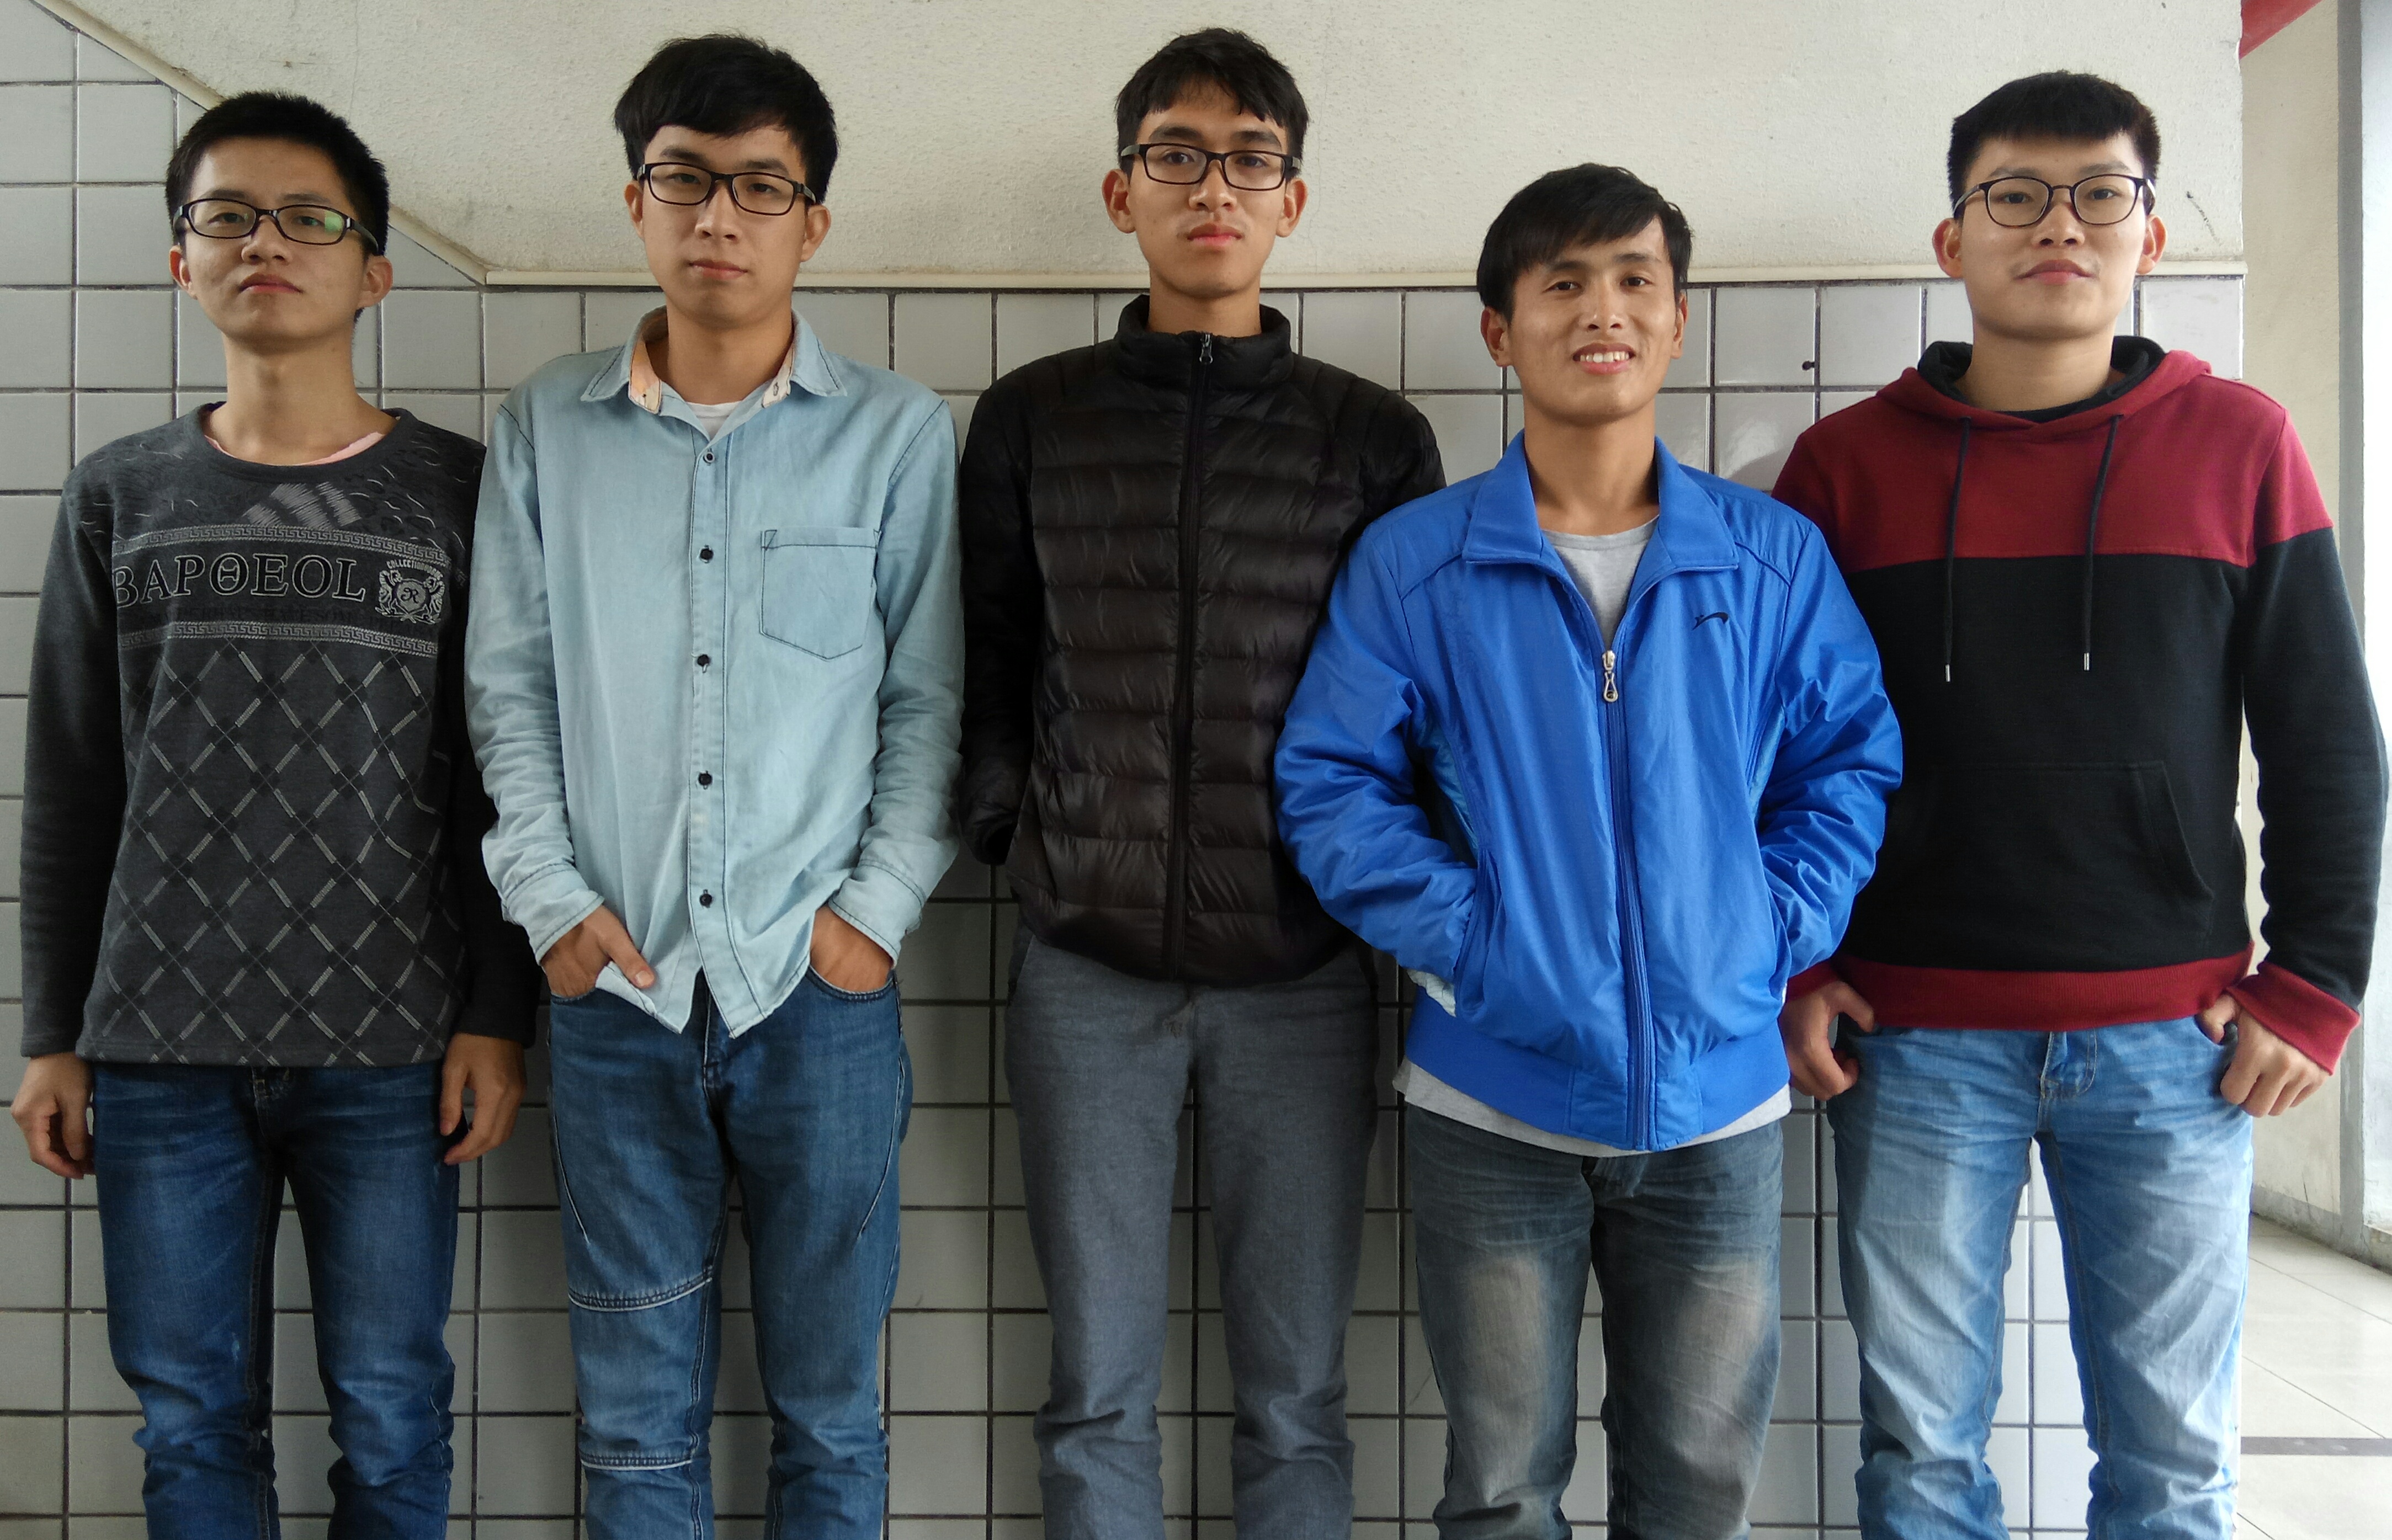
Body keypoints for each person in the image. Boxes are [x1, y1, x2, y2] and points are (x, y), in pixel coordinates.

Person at [1772, 71, 2386, 1540]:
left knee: (2170, 1466)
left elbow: (2324, 737)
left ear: (2147, 235)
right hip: (1911, 1040)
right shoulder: (1842, 469)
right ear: (1952, 239)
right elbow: (1772, 752)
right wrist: (1796, 964)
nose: (2059, 225)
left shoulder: (2238, 443)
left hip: (2174, 1047)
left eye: (2099, 194)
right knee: (1918, 1457)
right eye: (2015, 196)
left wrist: (2311, 988)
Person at [1274, 163, 1901, 1540]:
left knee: (1697, 1486)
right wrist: (1477, 948)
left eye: (1632, 280)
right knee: (1502, 1488)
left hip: (1719, 1104)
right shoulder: (1416, 562)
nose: (1600, 310)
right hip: (1490, 1100)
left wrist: (1761, 934)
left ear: (1676, 320)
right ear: (1499, 331)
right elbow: (1331, 784)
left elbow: (1846, 765)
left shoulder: (1771, 558)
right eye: (1560, 283)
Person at [6, 92, 537, 1536]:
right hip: (156, 1050)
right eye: (226, 216)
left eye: (308, 218)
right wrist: (52, 1033)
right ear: (181, 262)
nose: (265, 243)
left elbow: (502, 774)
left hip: (394, 1044)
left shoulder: (460, 493)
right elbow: (71, 780)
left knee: (393, 1413)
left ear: (374, 269)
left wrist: (497, 1015)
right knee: (190, 1423)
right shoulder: (118, 496)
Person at [463, 34, 962, 1539]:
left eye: (760, 187)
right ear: (635, 202)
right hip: (615, 986)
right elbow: (510, 689)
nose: (718, 218)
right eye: (683, 180)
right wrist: (551, 906)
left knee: (830, 1413)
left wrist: (870, 916)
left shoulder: (892, 432)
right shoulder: (546, 425)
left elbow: (929, 698)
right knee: (632, 1423)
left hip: (819, 992)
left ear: (814, 221)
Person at [957, 26, 1442, 1537]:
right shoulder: (1033, 415)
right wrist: (1019, 838)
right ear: (1124, 191)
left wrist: (1360, 887)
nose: (1210, 188)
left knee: (1295, 1396)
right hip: (1082, 968)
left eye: (1247, 161)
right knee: (1093, 1387)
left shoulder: (1371, 436)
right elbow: (986, 656)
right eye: (1176, 156)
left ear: (1291, 200)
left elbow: (1414, 706)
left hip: (1301, 967)